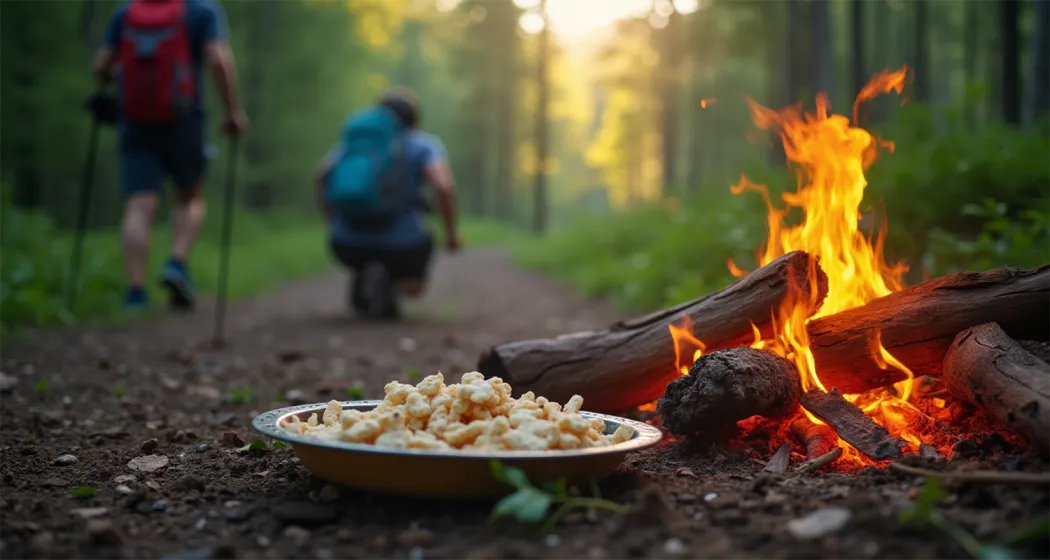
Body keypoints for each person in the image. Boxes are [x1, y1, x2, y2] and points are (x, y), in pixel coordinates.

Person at [90, 0, 248, 311]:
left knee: (139, 204)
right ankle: (176, 263)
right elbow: (218, 58)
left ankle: (135, 292)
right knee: (190, 198)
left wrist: (112, 82)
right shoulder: (202, 10)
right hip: (184, 119)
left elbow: (101, 65)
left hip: (135, 120)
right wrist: (232, 111)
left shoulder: (127, 12)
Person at [315, 88, 461, 319]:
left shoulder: (353, 144)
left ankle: (366, 275)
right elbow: (443, 187)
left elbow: (321, 176)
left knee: (362, 249)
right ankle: (398, 283)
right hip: (404, 246)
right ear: (415, 120)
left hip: (345, 244)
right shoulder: (423, 145)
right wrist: (451, 233)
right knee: (417, 263)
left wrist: (333, 220)